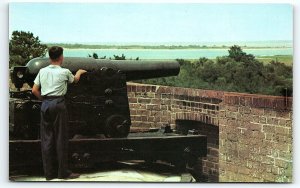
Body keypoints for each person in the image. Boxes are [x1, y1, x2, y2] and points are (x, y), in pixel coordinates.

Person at [32, 46, 87, 180]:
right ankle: (63, 172)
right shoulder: (64, 72)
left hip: (45, 104)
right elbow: (75, 80)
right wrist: (79, 72)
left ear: (50, 57)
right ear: (61, 57)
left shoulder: (42, 71)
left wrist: (44, 100)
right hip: (58, 104)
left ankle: (49, 174)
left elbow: (34, 90)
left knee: (47, 139)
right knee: (61, 139)